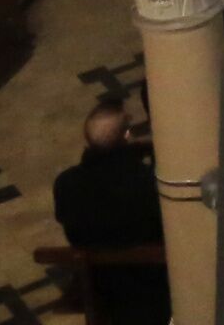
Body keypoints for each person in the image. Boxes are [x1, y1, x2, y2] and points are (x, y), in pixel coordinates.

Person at [52, 105, 170, 325]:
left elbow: (65, 221)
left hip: (98, 282)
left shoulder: (66, 183)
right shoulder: (146, 182)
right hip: (151, 283)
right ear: (127, 135)